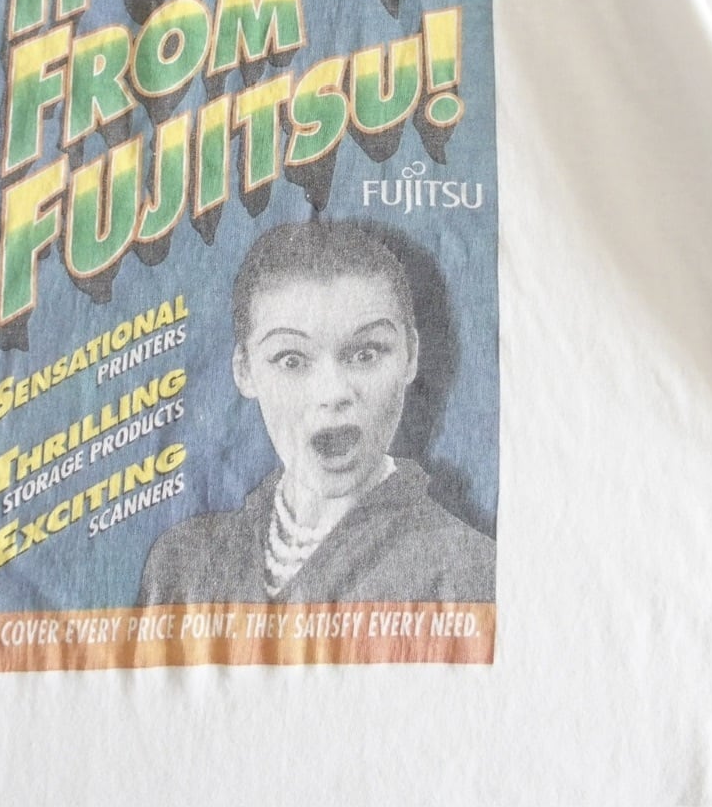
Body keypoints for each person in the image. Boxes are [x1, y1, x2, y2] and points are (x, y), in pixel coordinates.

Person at [138, 218, 495, 605]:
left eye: (366, 354)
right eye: (291, 360)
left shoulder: (468, 569)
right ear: (244, 370)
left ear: (410, 355)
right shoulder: (180, 564)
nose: (333, 393)